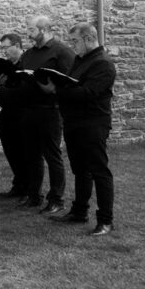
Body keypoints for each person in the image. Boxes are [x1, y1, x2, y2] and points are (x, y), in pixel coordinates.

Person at [42, 24, 116, 236]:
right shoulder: (80, 59)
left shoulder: (103, 63)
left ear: (87, 38)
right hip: (74, 122)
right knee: (80, 170)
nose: (73, 45)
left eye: (75, 41)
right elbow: (73, 85)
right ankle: (79, 212)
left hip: (93, 124)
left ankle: (105, 220)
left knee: (99, 170)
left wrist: (57, 90)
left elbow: (88, 92)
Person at [16, 15, 75, 213]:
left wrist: (53, 90)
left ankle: (56, 199)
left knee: (52, 155)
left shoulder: (62, 51)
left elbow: (70, 81)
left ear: (44, 29)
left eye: (31, 29)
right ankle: (34, 195)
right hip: (29, 110)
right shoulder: (29, 53)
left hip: (51, 110)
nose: (28, 33)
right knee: (31, 155)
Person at [0, 33, 27, 198]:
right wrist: (0, 83)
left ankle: (28, 187)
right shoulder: (5, 65)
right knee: (10, 150)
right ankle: (18, 184)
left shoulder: (27, 63)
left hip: (23, 113)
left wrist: (5, 85)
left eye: (6, 47)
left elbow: (22, 91)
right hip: (6, 112)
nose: (4, 51)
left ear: (18, 46)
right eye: (2, 48)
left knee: (24, 151)